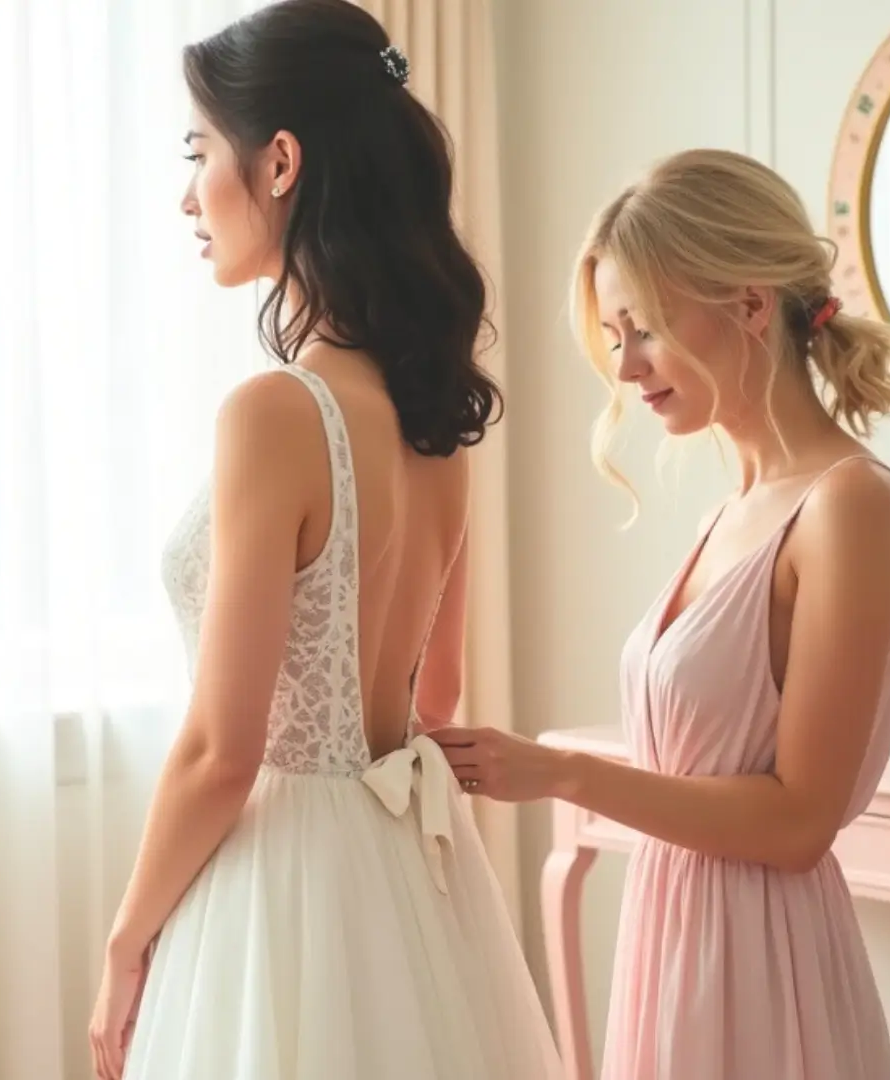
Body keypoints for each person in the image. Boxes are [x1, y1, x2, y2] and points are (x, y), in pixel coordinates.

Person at [87, 3, 562, 1078]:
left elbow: (222, 752)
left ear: (281, 161)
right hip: (404, 879)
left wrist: (126, 940)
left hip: (281, 884)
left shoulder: (274, 415)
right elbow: (433, 699)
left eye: (200, 148)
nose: (187, 190)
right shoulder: (437, 420)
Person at [435, 148, 890, 1080]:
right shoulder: (729, 512)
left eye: (645, 328)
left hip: (766, 969)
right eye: (616, 335)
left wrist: (563, 773)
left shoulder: (849, 504)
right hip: (672, 940)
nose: (625, 366)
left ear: (747, 306)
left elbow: (796, 824)